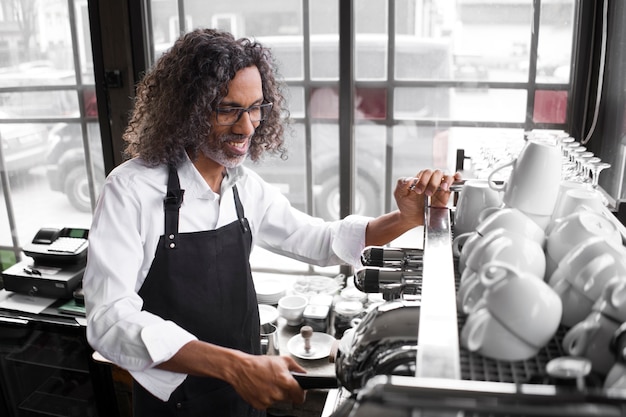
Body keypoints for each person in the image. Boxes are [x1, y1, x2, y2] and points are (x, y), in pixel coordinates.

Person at [83, 28, 461, 417]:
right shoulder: (131, 189)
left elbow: (318, 239)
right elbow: (109, 318)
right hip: (176, 402)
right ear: (188, 109)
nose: (248, 127)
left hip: (246, 392)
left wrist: (405, 218)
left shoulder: (242, 186)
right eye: (228, 109)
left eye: (256, 108)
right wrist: (235, 366)